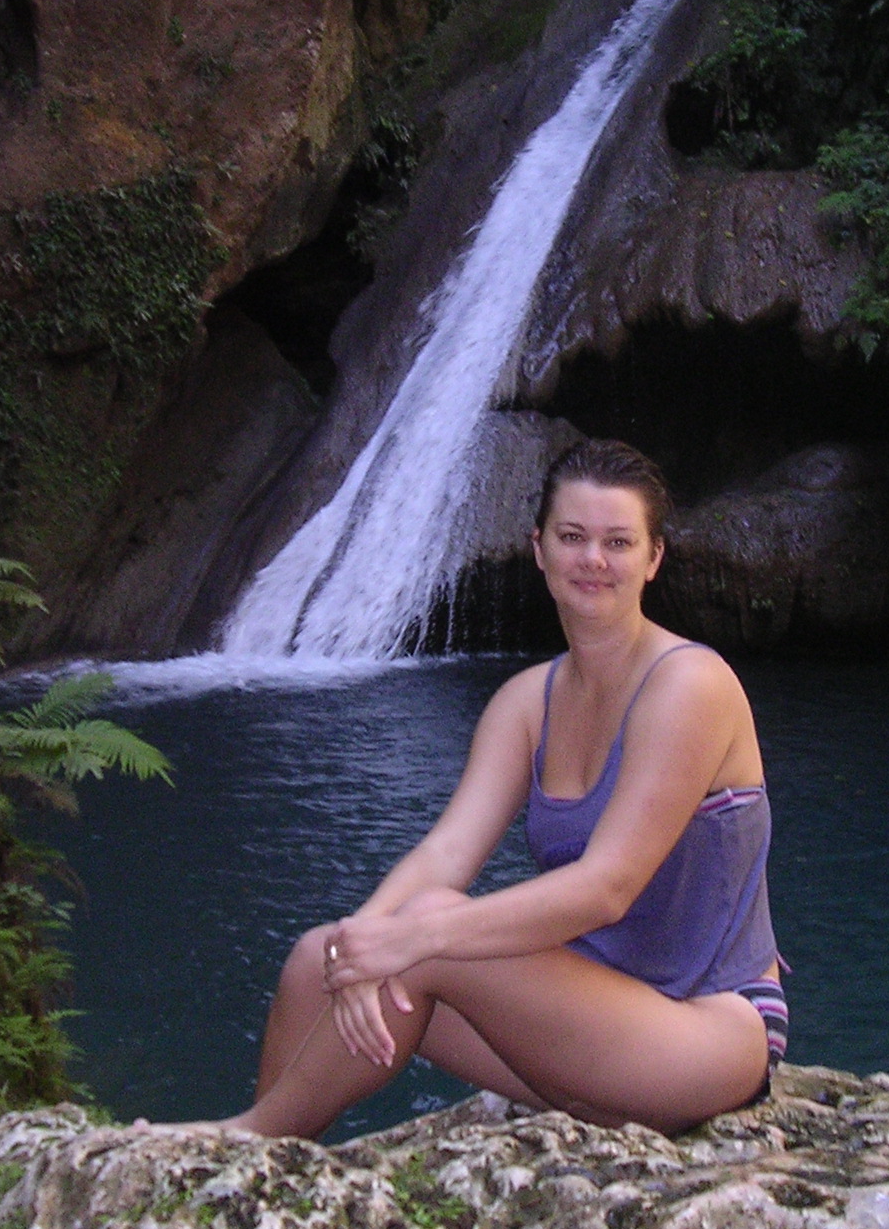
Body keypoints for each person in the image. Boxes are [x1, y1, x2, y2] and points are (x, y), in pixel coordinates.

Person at [222, 438, 788, 1138]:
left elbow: (607, 885)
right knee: (320, 959)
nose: (593, 560)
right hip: (583, 1030)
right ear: (539, 550)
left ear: (654, 558)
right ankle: (267, 1173)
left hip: (707, 1033)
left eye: (619, 541)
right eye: (572, 537)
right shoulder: (526, 703)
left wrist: (415, 934)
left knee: (425, 935)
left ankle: (248, 1138)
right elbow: (445, 853)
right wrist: (365, 944)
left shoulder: (688, 684)